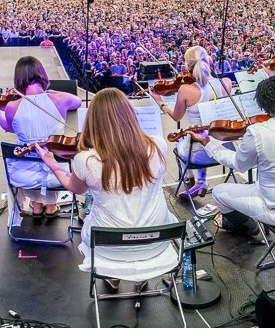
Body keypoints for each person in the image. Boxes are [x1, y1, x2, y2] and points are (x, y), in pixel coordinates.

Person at [33, 88, 177, 291]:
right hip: (157, 243)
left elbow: (76, 188)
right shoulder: (158, 145)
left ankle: (112, 275)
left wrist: (53, 164)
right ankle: (139, 280)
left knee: (93, 222)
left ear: (94, 122)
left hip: (109, 248)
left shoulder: (86, 160)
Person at [190, 77, 275, 251]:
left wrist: (207, 142)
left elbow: (238, 164)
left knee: (219, 192)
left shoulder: (258, 132)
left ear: (262, 106)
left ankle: (251, 228)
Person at [0, 56, 82, 218]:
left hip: (23, 176)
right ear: (42, 75)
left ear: (18, 79)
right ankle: (51, 207)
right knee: (49, 160)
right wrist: (50, 92)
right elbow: (78, 101)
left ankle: (37, 206)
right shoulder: (60, 99)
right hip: (57, 176)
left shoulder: (12, 106)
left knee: (32, 162)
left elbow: (11, 128)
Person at [152, 45, 233, 197]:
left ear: (188, 66)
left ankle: (191, 177)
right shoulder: (226, 83)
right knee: (202, 136)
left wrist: (160, 102)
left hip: (197, 155)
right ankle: (201, 180)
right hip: (224, 149)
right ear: (208, 61)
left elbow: (176, 117)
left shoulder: (186, 90)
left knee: (179, 135)